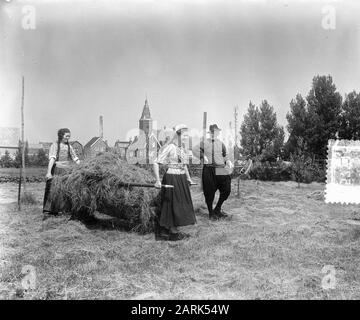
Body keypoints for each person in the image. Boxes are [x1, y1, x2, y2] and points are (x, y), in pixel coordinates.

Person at [153, 124, 196, 241]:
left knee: (182, 203)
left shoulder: (182, 149)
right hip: (172, 177)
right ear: (178, 134)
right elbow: (156, 162)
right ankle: (172, 232)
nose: (186, 138)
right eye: (185, 135)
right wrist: (158, 180)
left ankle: (173, 228)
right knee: (173, 203)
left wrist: (188, 178)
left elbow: (184, 165)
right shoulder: (170, 147)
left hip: (181, 178)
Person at [192, 124, 232, 220]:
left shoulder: (221, 143)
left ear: (218, 133)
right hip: (209, 169)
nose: (215, 133)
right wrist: (202, 156)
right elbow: (194, 149)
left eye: (216, 132)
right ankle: (211, 213)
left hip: (220, 168)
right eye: (213, 132)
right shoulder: (204, 142)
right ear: (210, 133)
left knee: (227, 189)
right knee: (209, 192)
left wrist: (228, 161)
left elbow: (225, 155)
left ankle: (217, 209)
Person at [43, 128, 80, 215]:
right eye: (66, 136)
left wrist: (82, 167)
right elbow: (52, 159)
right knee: (54, 189)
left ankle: (63, 209)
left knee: (65, 190)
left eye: (69, 136)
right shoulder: (55, 145)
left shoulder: (69, 147)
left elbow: (75, 158)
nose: (68, 138)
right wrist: (49, 172)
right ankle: (51, 210)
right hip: (57, 170)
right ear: (61, 136)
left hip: (66, 171)